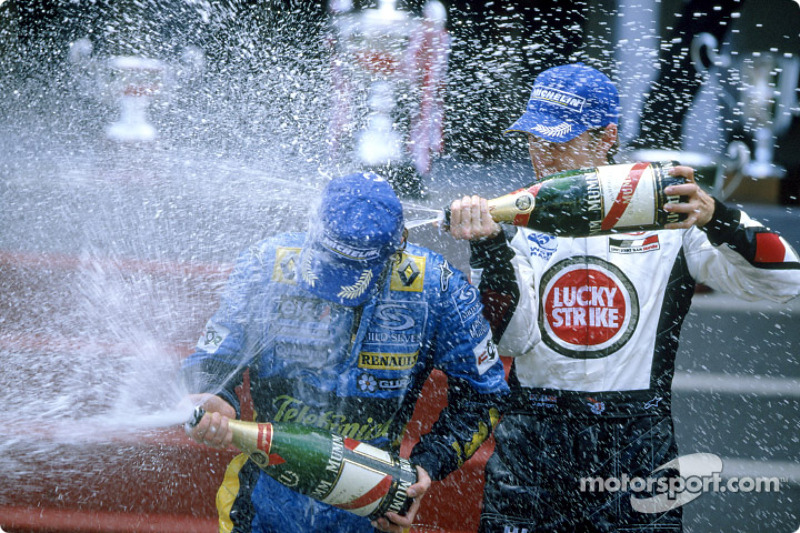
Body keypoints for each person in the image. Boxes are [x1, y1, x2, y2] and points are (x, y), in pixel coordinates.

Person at [447, 62, 800, 532]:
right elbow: (512, 340)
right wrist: (489, 251)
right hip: (534, 438)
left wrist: (721, 218)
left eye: (558, 141)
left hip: (636, 443)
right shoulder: (515, 217)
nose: (542, 155)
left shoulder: (666, 211)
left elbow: (787, 283)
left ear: (605, 137)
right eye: (534, 139)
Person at [181, 171, 509, 533]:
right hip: (261, 510)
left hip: (371, 512)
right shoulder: (264, 266)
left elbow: (484, 395)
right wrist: (214, 394)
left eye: (356, 270)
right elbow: (212, 358)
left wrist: (426, 465)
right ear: (312, 229)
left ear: (399, 243)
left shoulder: (438, 286)